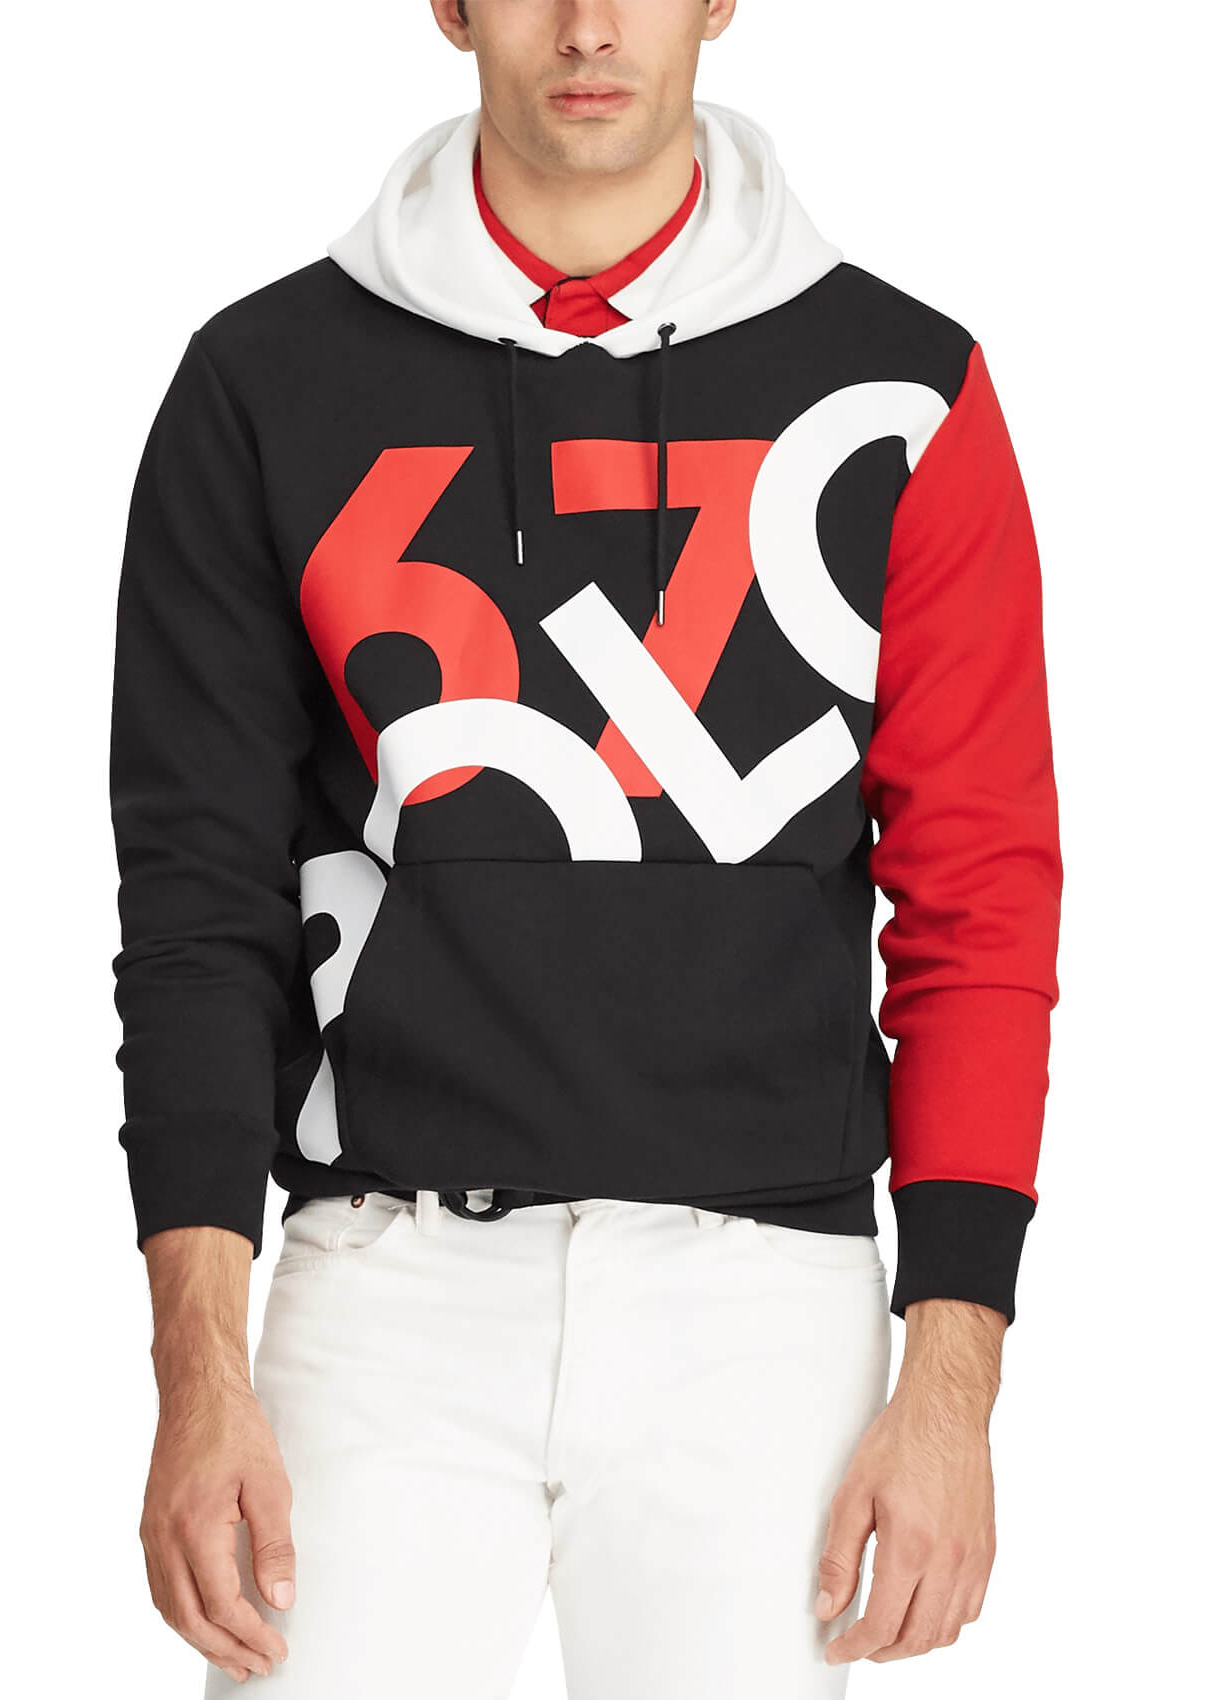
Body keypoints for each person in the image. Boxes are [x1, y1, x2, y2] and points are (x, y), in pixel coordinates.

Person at [108, 2, 1063, 1694]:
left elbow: (979, 902)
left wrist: (950, 1382)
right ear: (450, 5)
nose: (590, 25)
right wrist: (196, 1373)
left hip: (763, 1307)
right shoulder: (264, 384)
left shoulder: (904, 391)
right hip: (380, 1287)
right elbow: (197, 904)